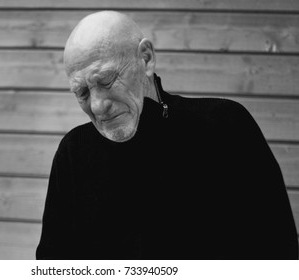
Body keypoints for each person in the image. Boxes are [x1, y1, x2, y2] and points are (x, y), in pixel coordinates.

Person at [36, 11, 298, 259]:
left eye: (105, 81)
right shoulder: (74, 152)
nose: (97, 106)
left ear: (146, 59)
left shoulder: (224, 127)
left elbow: (279, 252)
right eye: (82, 93)